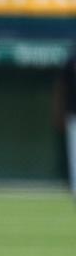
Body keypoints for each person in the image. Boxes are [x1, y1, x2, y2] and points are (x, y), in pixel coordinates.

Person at [54, 45, 76, 196]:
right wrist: (59, 113)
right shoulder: (70, 62)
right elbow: (60, 88)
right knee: (74, 155)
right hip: (73, 114)